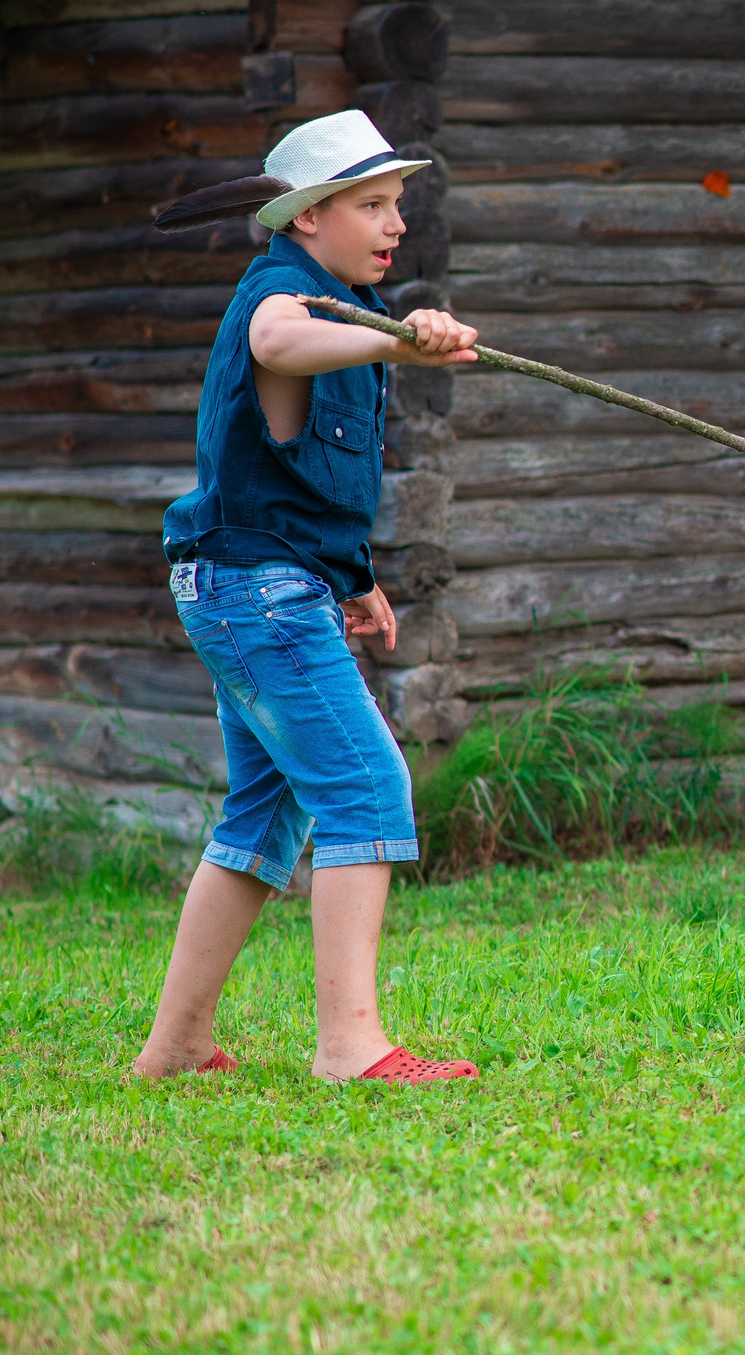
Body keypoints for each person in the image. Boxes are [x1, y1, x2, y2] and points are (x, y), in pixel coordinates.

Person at [129, 110, 489, 1082]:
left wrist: (358, 581)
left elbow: (300, 479)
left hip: (259, 582)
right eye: (370, 205)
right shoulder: (288, 295)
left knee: (263, 811)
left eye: (397, 205)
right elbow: (280, 342)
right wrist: (393, 345)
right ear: (305, 219)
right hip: (255, 590)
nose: (394, 224)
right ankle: (351, 1045)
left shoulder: (346, 306)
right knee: (365, 785)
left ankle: (176, 1046)